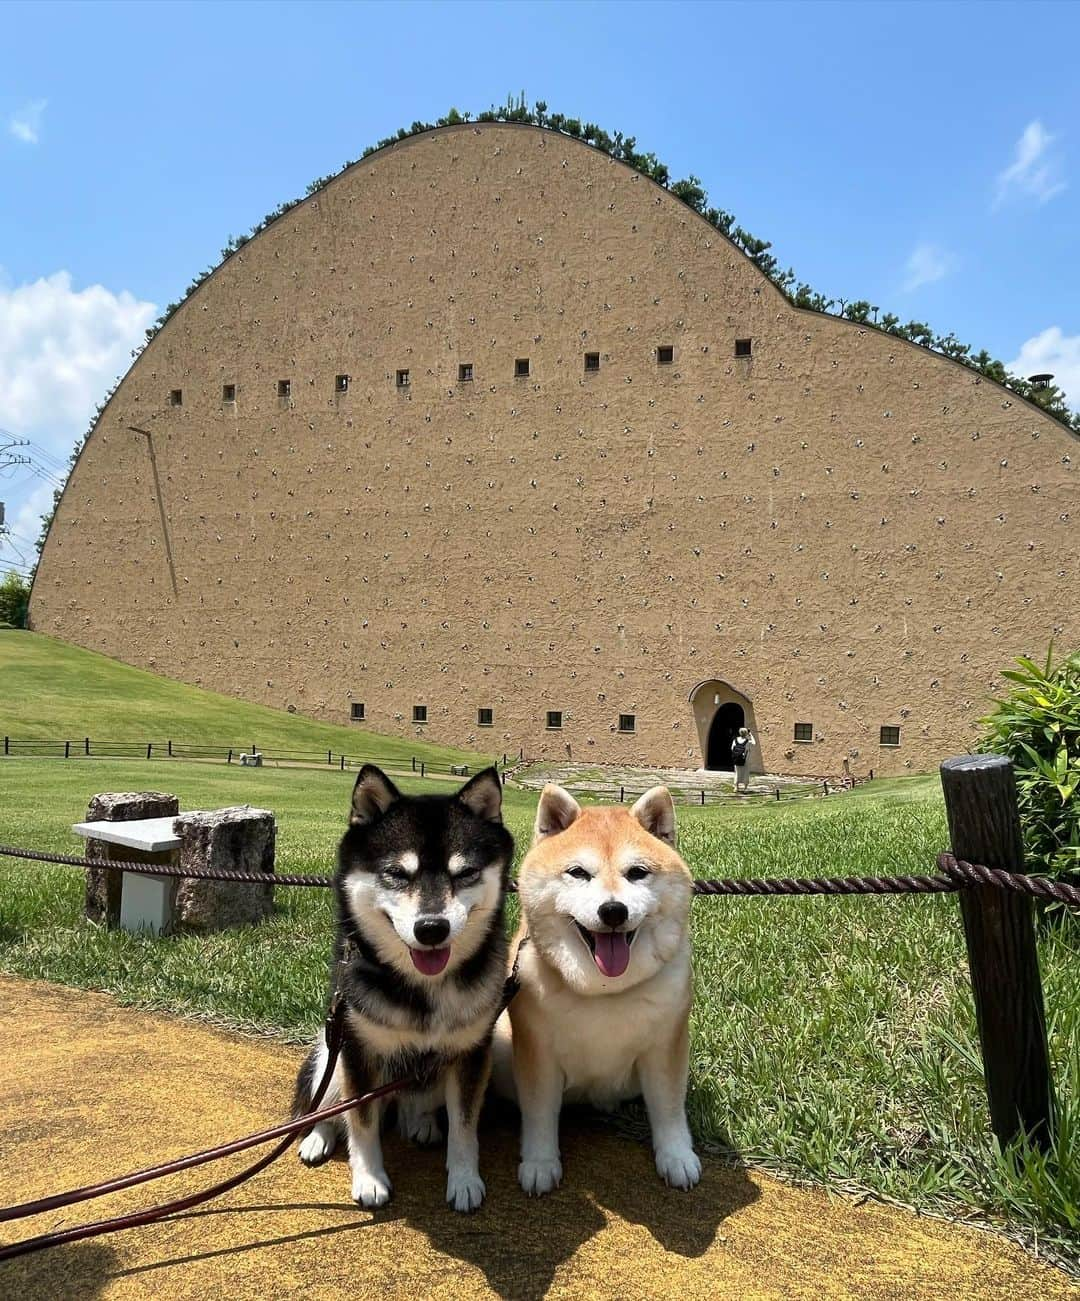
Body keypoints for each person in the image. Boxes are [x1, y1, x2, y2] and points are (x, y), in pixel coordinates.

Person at [731, 726, 756, 792]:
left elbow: (732, 748)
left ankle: (736, 787)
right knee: (745, 773)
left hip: (737, 759)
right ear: (746, 733)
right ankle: (745, 788)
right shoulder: (747, 742)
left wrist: (737, 754)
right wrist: (750, 735)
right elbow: (754, 743)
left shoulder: (735, 740)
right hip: (745, 759)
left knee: (737, 773)